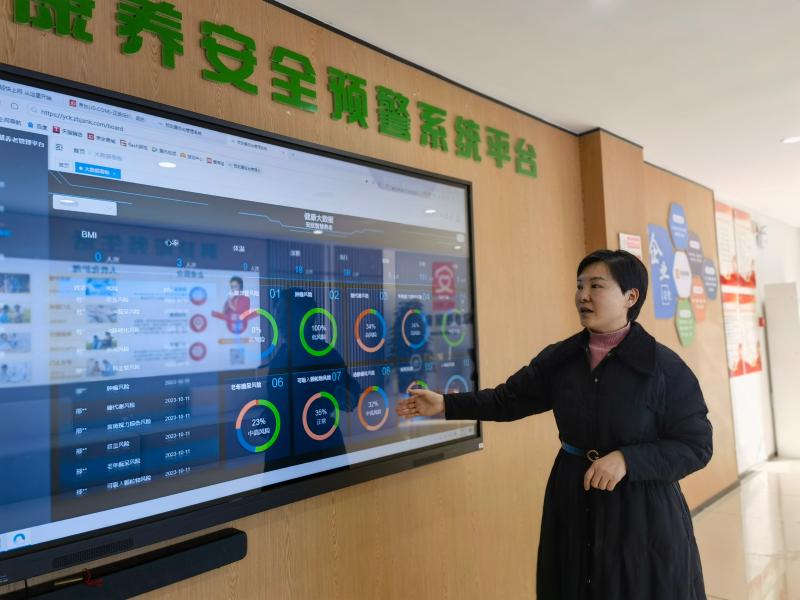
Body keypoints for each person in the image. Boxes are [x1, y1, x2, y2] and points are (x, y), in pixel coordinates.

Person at [397, 249, 712, 600]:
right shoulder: (561, 359)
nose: (583, 296)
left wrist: (628, 460)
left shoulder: (663, 367)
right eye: (579, 286)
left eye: (596, 286)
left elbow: (696, 445)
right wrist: (446, 404)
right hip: (573, 498)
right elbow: (507, 400)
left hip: (642, 512)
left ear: (630, 297)